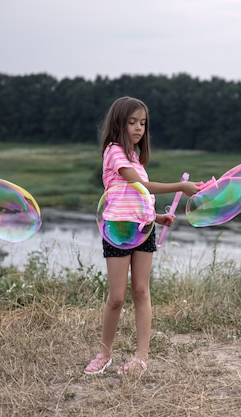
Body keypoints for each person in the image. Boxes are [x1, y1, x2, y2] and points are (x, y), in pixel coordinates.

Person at [84, 96, 200, 375]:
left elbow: (137, 197)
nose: (139, 128)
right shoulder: (113, 151)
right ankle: (104, 353)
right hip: (117, 230)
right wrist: (181, 185)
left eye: (143, 123)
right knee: (117, 297)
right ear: (118, 124)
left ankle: (141, 357)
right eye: (132, 122)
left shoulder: (136, 158)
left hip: (142, 228)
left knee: (141, 291)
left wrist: (157, 217)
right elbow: (140, 184)